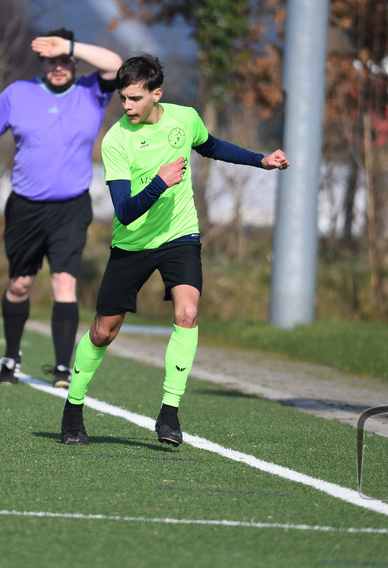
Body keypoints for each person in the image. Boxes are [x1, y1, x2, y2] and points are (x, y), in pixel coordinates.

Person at [59, 53, 289, 447]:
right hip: (132, 244)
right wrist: (161, 183)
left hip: (180, 236)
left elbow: (212, 146)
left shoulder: (184, 119)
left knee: (188, 313)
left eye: (134, 98)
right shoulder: (116, 140)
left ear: (156, 94)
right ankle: (73, 408)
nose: (126, 106)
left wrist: (261, 160)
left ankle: (169, 414)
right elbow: (126, 212)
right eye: (122, 99)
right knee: (102, 332)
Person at [0, 28, 122, 388]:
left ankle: (63, 368)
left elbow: (116, 65)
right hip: (25, 206)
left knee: (63, 282)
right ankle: (11, 354)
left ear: (74, 59)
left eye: (64, 60)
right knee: (20, 284)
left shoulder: (91, 91)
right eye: (50, 60)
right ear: (41, 62)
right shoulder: (18, 94)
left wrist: (69, 45)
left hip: (71, 207)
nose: (58, 67)